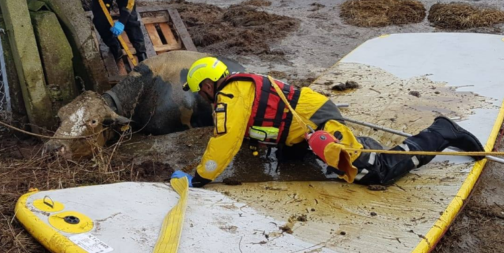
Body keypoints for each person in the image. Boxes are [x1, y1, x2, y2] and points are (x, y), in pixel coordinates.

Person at [171, 57, 486, 188]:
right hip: (300, 128)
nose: (204, 97)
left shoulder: (229, 98)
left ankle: (440, 132)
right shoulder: (239, 87)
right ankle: (359, 146)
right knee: (289, 156)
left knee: (375, 174)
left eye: (202, 92)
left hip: (317, 123)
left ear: (210, 85)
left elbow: (224, 141)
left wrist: (199, 179)